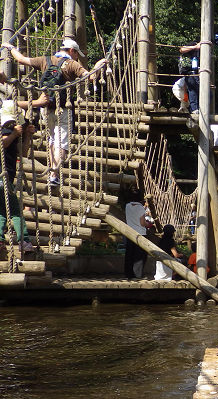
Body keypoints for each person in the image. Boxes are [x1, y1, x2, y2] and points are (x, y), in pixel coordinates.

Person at [3, 39, 107, 185]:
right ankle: (54, 174)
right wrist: (98, 65)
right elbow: (90, 77)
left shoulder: (45, 60)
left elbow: (21, 59)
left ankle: (52, 172)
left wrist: (11, 47)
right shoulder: (72, 64)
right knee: (62, 143)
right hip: (63, 109)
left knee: (52, 140)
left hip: (46, 108)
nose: (77, 58)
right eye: (77, 54)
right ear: (72, 51)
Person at [0, 100, 34, 252]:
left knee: (2, 210)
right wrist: (14, 133)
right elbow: (3, 143)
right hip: (2, 175)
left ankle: (0, 240)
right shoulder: (4, 130)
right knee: (15, 210)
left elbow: (23, 152)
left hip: (8, 176)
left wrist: (27, 135)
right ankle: (24, 240)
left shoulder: (12, 134)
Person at [124, 193, 148, 279]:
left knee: (129, 254)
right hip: (140, 233)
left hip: (130, 233)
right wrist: (148, 224)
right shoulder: (140, 208)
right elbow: (142, 223)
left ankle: (129, 274)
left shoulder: (127, 206)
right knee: (140, 255)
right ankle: (137, 274)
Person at [178, 42, 200, 113]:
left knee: (201, 90)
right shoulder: (193, 44)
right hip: (189, 72)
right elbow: (182, 49)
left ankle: (198, 108)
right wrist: (195, 47)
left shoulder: (205, 51)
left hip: (198, 72)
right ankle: (194, 109)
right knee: (192, 89)